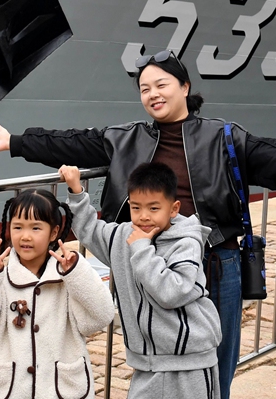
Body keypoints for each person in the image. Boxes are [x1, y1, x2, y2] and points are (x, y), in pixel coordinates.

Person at [0, 50, 276, 399]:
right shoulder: (123, 138)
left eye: (161, 84)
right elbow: (71, 142)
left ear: (185, 87)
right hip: (146, 261)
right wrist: (16, 143)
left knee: (216, 362)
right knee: (154, 355)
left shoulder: (223, 137)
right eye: (144, 89)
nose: (153, 94)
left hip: (215, 261)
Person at [61, 162, 222, 398]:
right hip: (146, 365)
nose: (144, 216)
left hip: (190, 363)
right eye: (136, 207)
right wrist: (76, 191)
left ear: (174, 208)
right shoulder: (123, 235)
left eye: (154, 208)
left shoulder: (186, 243)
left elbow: (171, 293)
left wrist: (141, 248)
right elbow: (89, 231)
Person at [0, 189, 115, 399]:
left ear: (54, 232)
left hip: (61, 390)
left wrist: (78, 273)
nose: (25, 236)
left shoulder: (70, 277)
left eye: (36, 228)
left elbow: (101, 317)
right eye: (18, 227)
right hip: (11, 390)